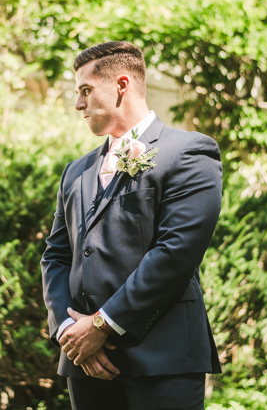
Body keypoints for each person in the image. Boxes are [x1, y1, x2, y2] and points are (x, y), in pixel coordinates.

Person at [41, 41, 222, 410]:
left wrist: (101, 326)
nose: (78, 105)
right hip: (85, 364)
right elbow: (56, 255)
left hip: (161, 358)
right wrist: (68, 332)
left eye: (85, 91)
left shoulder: (189, 152)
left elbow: (175, 254)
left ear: (121, 85)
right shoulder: (75, 171)